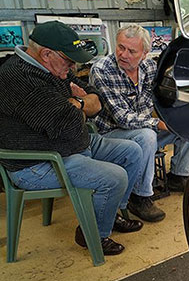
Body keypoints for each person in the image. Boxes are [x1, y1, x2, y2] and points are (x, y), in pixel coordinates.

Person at [0, 21, 144, 256]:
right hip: (39, 162)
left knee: (132, 151)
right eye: (68, 60)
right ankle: (94, 235)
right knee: (114, 177)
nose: (73, 66)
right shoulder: (17, 78)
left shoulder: (52, 69)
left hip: (72, 144)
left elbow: (96, 99)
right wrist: (81, 103)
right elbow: (63, 120)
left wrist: (79, 103)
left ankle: (109, 213)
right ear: (46, 54)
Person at [90, 24, 189, 223]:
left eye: (131, 51)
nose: (123, 54)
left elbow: (155, 100)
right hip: (111, 134)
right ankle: (139, 196)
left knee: (186, 124)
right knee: (147, 135)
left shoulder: (149, 67)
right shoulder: (102, 70)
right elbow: (121, 117)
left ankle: (179, 175)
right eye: (120, 47)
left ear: (145, 53)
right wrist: (157, 123)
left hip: (143, 127)